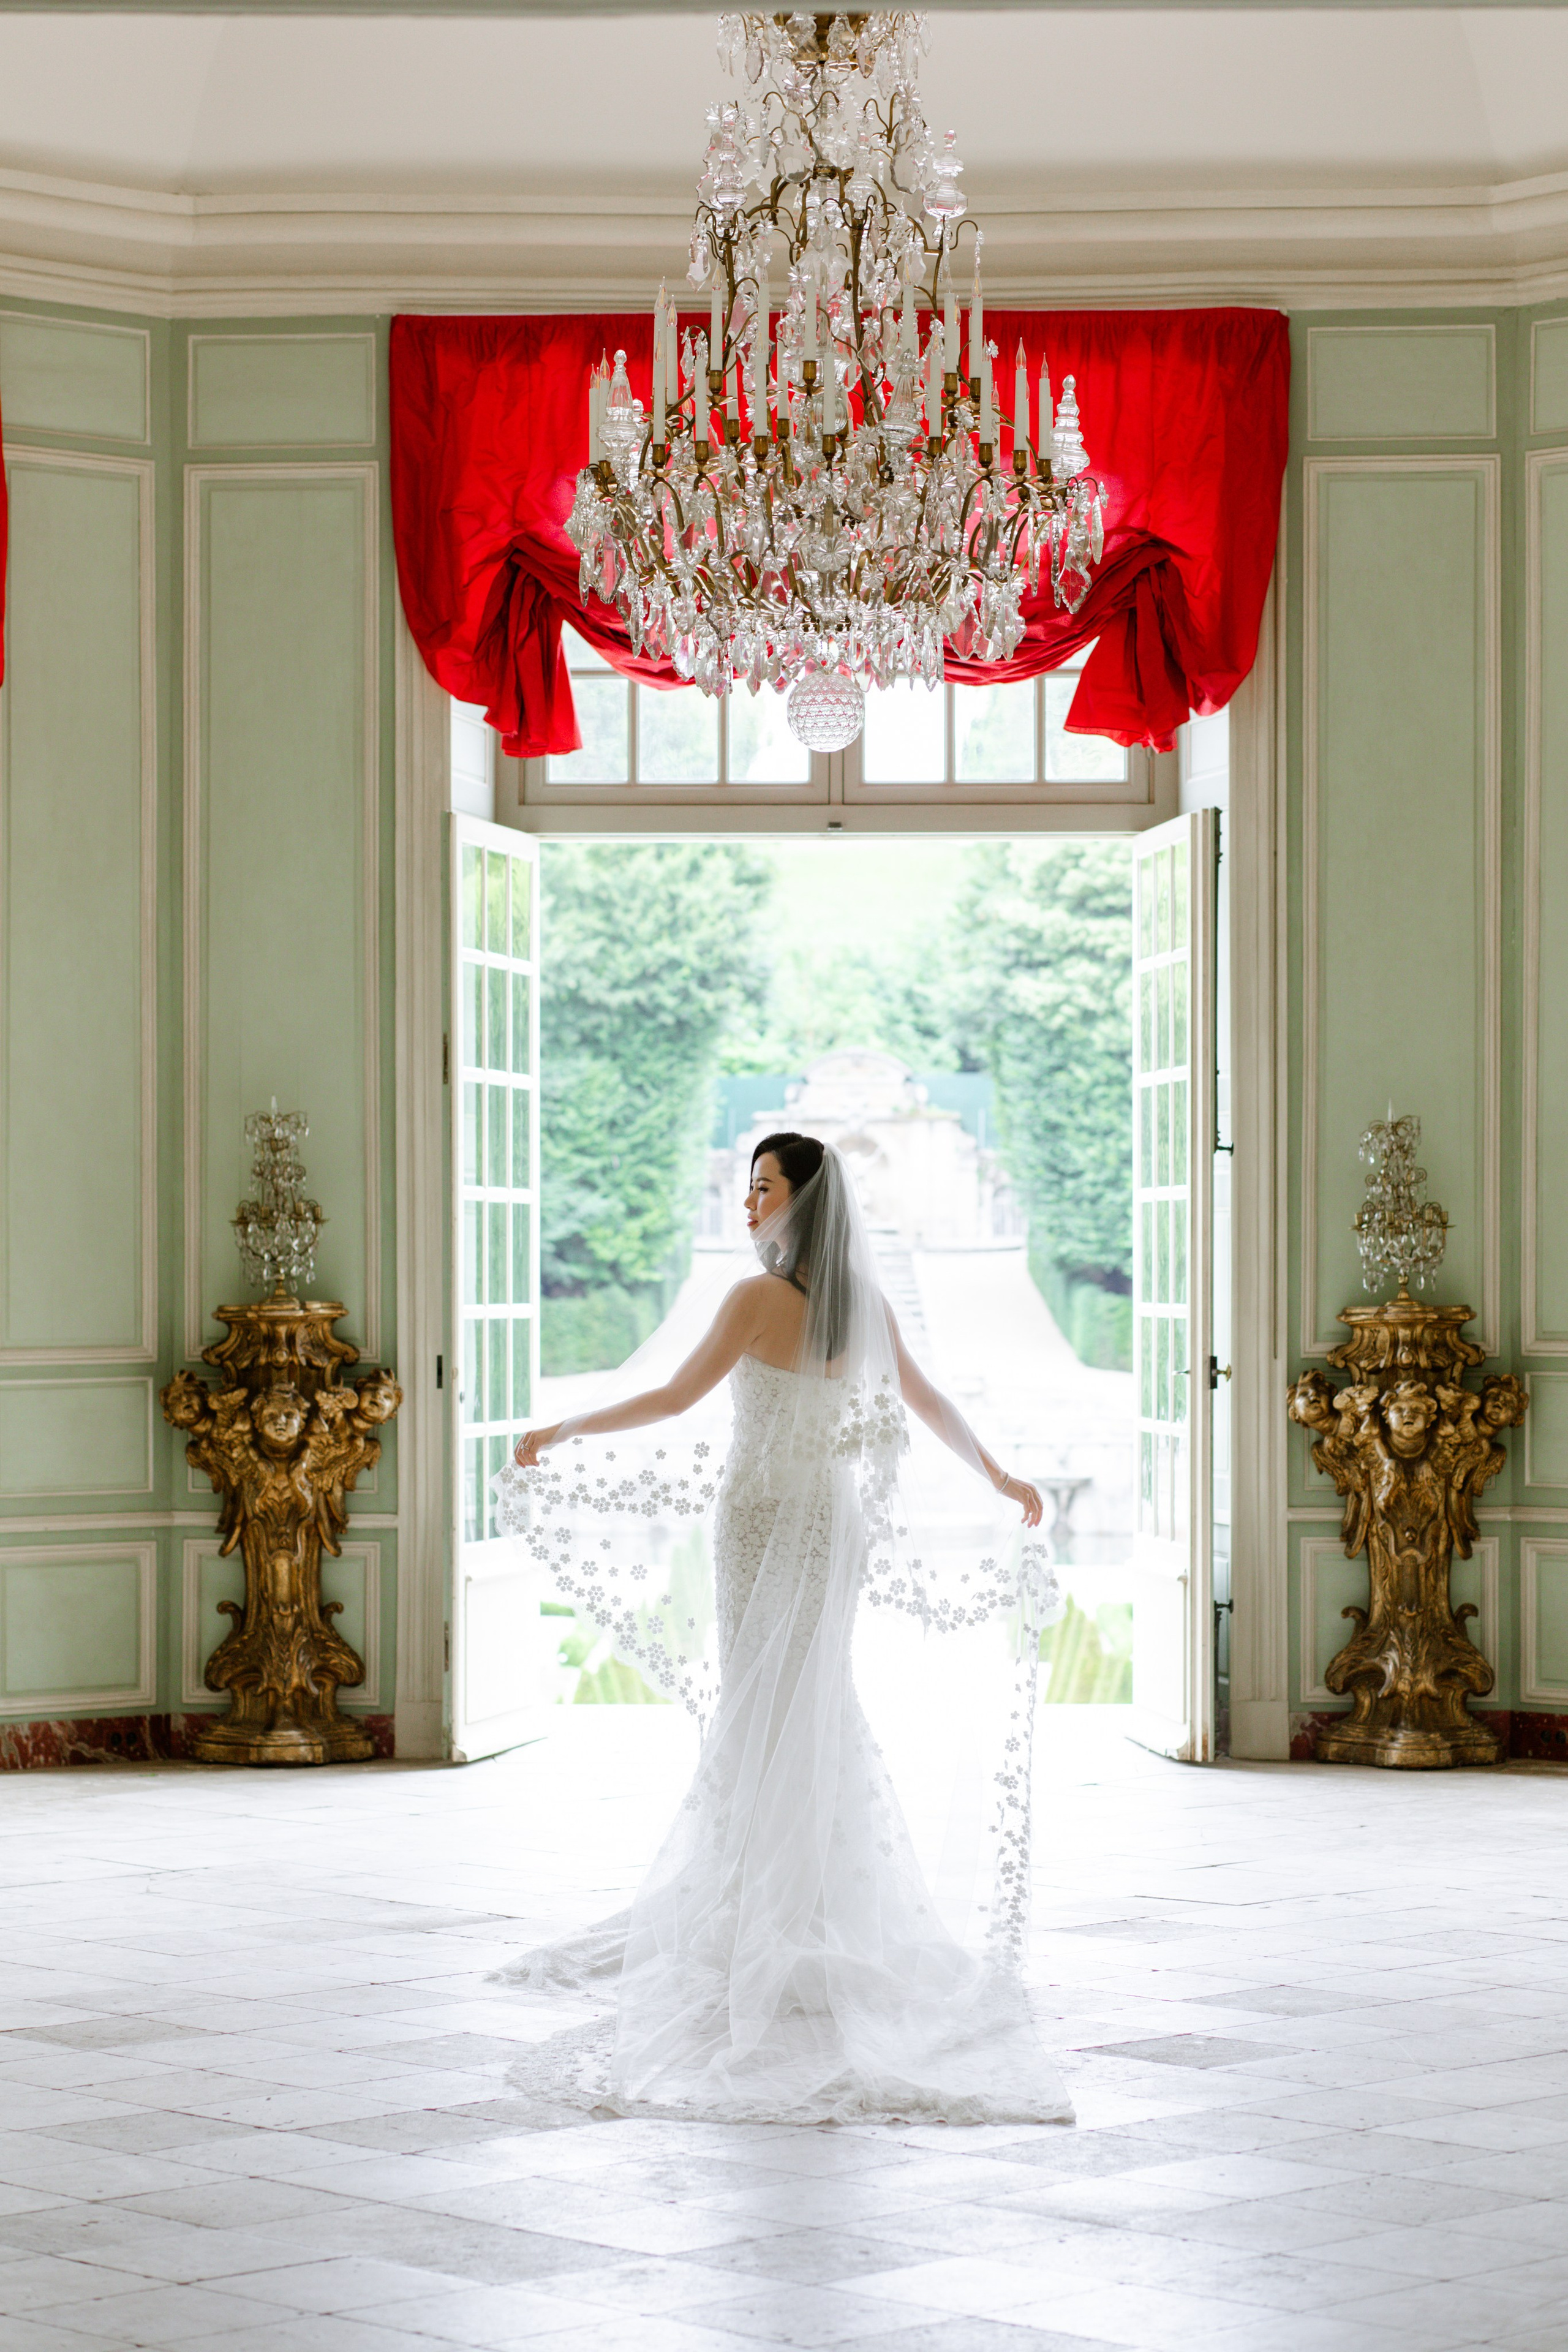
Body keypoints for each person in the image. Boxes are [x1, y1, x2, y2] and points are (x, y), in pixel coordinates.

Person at [492, 1133, 1072, 2127]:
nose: (747, 1204)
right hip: (828, 1522)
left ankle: (758, 1913)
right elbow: (928, 1402)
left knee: (762, 1708)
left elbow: (677, 1396)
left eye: (762, 1189)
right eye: (745, 1186)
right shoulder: (861, 1307)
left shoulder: (754, 1300)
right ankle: (798, 1907)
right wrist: (1003, 1476)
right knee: (807, 1701)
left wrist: (564, 1427)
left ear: (803, 1202)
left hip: (762, 1521)